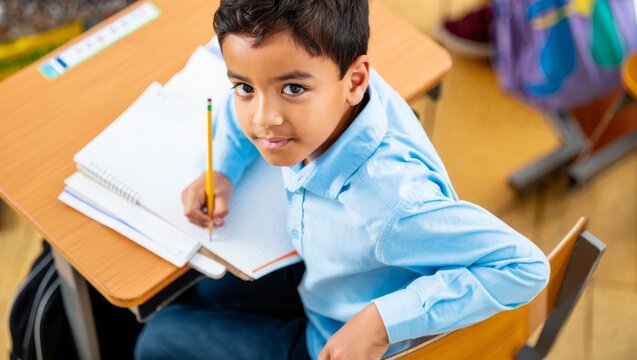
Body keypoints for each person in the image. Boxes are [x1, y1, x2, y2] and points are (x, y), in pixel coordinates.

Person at [135, 0, 550, 359]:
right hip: (323, 275)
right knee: (203, 291)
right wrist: (222, 167)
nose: (262, 118)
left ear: (355, 81)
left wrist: (381, 323)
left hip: (330, 341)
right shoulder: (334, 75)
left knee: (156, 338)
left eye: (293, 89)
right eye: (245, 87)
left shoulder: (392, 205)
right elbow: (243, 99)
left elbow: (524, 265)